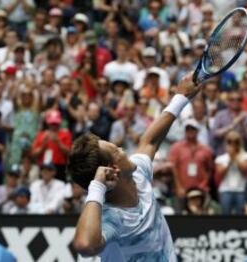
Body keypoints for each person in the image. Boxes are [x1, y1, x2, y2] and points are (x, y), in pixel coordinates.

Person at [67, 73, 200, 261]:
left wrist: (180, 98)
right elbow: (85, 245)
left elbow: (150, 141)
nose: (122, 149)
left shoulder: (137, 174)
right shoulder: (112, 217)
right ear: (113, 170)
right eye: (116, 150)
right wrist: (97, 186)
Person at [169, 119, 214, 203]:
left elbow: (210, 169)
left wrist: (204, 185)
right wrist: (178, 187)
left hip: (200, 189)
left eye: (192, 129)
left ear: (197, 131)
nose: (190, 131)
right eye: (188, 129)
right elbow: (173, 168)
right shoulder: (176, 148)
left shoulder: (206, 149)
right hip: (182, 189)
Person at [215, 131, 247, 215]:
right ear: (226, 142)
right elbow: (220, 173)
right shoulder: (221, 158)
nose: (233, 144)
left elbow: (245, 169)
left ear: (240, 142)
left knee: (240, 216)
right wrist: (229, 160)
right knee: (225, 215)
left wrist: (235, 156)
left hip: (241, 190)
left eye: (236, 141)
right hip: (225, 190)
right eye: (229, 141)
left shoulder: (246, 155)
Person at [31, 109, 72, 181]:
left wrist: (58, 142)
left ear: (59, 123)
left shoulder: (66, 134)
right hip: (44, 167)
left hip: (59, 167)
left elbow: (69, 152)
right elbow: (33, 154)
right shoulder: (41, 135)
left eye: (55, 123)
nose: (53, 126)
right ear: (48, 123)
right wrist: (43, 146)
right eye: (52, 123)